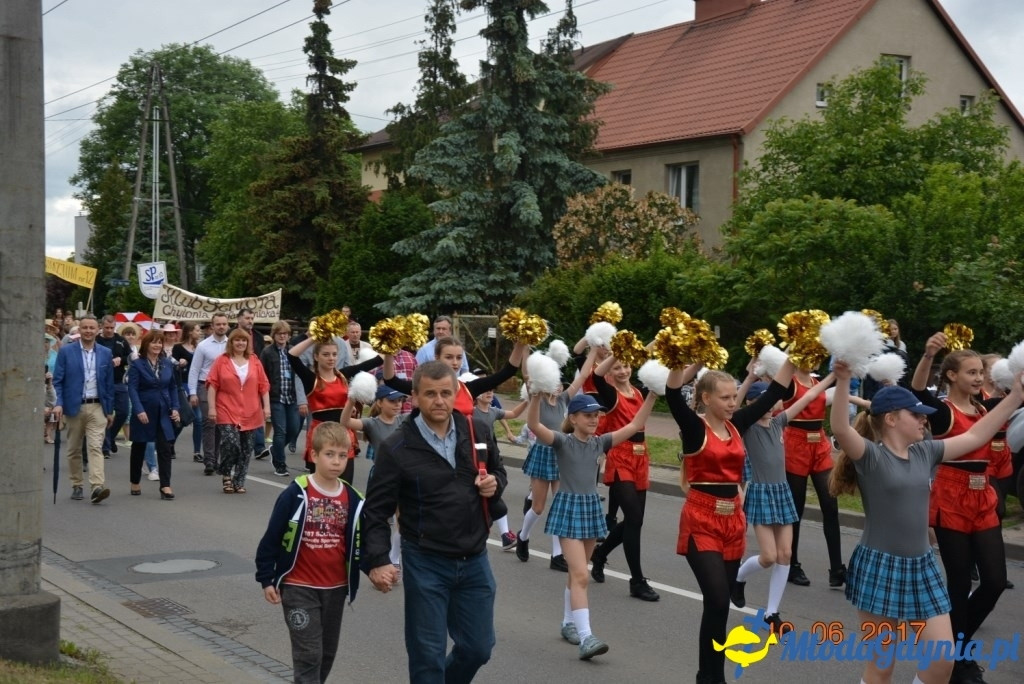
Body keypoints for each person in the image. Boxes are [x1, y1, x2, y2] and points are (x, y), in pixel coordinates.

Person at [830, 360, 1023, 684]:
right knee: (881, 668)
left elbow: (977, 434)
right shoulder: (871, 456)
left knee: (942, 660)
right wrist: (843, 379)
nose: (924, 419)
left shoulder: (925, 452)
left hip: (922, 566)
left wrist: (1016, 396)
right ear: (891, 419)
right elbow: (840, 428)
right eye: (916, 414)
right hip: (880, 566)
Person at [362, 361, 506, 684]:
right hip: (426, 560)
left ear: (456, 393)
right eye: (430, 394)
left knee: (478, 648)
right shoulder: (396, 447)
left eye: (445, 393)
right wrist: (378, 560)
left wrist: (494, 482)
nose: (439, 400)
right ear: (414, 397)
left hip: (474, 559)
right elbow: (376, 511)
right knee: (427, 656)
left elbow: (498, 470)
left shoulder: (478, 431)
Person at [666, 357, 795, 684]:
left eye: (734, 396)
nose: (732, 402)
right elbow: (673, 393)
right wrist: (679, 359)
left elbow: (775, 392)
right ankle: (709, 676)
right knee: (718, 597)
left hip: (732, 521)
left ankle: (710, 675)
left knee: (719, 607)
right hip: (701, 519)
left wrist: (795, 355)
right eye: (725, 397)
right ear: (706, 398)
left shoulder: (738, 423)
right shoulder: (695, 427)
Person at [910, 333, 1015, 684]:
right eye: (971, 372)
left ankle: (953, 648)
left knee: (995, 581)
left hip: (983, 495)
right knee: (958, 583)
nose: (978, 378)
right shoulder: (943, 413)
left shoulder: (985, 408)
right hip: (951, 496)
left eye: (980, 373)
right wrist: (929, 355)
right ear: (952, 376)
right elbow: (918, 391)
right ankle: (957, 662)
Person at [529, 390, 657, 659]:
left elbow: (635, 424)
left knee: (577, 574)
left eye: (596, 415)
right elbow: (534, 425)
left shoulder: (600, 443)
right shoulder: (562, 441)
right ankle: (586, 637)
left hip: (590, 509)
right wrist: (536, 397)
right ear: (573, 418)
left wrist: (654, 394)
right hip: (568, 509)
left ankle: (568, 623)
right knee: (581, 575)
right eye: (587, 415)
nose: (594, 419)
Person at [255, 421, 363, 684]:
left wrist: (378, 567)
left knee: (326, 654)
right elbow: (272, 538)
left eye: (342, 455)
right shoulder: (296, 493)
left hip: (335, 588)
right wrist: (266, 578)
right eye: (329, 454)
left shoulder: (353, 498)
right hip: (298, 587)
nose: (336, 462)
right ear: (313, 455)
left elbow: (361, 543)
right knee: (309, 654)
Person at [730, 370, 834, 633]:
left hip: (782, 492)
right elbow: (734, 411)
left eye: (769, 401)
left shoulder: (779, 422)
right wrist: (750, 380)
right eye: (760, 402)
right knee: (769, 556)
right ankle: (738, 577)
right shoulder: (746, 427)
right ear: (751, 404)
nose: (767, 406)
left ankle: (772, 613)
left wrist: (834, 375)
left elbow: (809, 395)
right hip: (761, 493)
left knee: (785, 554)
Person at [588, 352, 659, 601]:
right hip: (621, 456)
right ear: (610, 371)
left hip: (641, 457)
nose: (623, 371)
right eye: (617, 367)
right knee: (634, 518)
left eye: (626, 365)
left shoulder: (639, 392)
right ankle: (637, 581)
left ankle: (600, 553)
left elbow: (667, 379)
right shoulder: (610, 394)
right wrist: (618, 351)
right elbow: (596, 377)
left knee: (634, 521)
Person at [516, 349, 593, 569]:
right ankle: (523, 536)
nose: (558, 386)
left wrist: (595, 349)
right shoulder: (537, 397)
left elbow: (583, 375)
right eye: (555, 382)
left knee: (560, 506)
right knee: (538, 507)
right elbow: (527, 375)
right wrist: (525, 347)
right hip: (542, 454)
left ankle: (557, 555)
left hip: (561, 455)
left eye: (560, 383)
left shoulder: (563, 400)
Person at [781, 363, 844, 588]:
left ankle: (837, 569)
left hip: (819, 443)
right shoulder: (790, 384)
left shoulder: (817, 382)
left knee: (831, 504)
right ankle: (792, 565)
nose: (815, 359)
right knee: (796, 509)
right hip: (796, 444)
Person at [288, 334, 382, 479]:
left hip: (344, 433)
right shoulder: (311, 379)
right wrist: (315, 336)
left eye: (334, 354)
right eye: (326, 354)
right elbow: (292, 356)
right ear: (316, 356)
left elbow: (375, 362)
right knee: (321, 483)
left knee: (346, 482)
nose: (331, 358)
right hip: (322, 435)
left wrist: (391, 346)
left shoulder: (342, 375)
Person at [341, 385, 408, 569]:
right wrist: (351, 400)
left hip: (403, 476)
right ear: (379, 402)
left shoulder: (404, 420)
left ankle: (395, 559)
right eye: (392, 401)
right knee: (379, 520)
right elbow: (345, 422)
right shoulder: (372, 423)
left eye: (400, 401)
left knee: (402, 519)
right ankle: (379, 558)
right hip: (382, 477)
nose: (397, 404)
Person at [52, 314, 115, 503]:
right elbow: (58, 381)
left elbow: (109, 384)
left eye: (92, 328)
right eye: (85, 327)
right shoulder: (66, 352)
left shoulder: (105, 353)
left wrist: (109, 410)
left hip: (97, 406)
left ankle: (97, 487)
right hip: (74, 406)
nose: (88, 331)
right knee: (74, 449)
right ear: (79, 330)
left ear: (98, 330)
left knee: (95, 447)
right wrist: (58, 403)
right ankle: (77, 484)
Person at [206, 329, 271, 494]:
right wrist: (212, 408)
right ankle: (226, 473)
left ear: (248, 343)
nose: (240, 343)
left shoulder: (254, 361)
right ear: (231, 342)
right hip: (226, 408)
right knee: (231, 442)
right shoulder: (222, 361)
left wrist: (267, 407)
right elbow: (212, 384)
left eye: (244, 340)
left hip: (251, 411)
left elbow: (264, 386)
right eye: (237, 340)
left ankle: (239, 481)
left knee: (246, 448)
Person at [126, 331, 180, 499]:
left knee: (165, 448)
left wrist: (176, 407)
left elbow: (173, 387)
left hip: (164, 410)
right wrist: (139, 409)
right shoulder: (137, 364)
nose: (157, 345)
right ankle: (135, 481)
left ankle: (165, 485)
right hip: (145, 410)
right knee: (139, 446)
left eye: (159, 342)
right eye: (154, 342)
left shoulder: (166, 363)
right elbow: (132, 388)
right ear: (146, 344)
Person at [472, 386, 526, 551]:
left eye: (491, 390)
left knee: (495, 494)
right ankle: (502, 535)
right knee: (490, 498)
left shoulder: (493, 411)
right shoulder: (472, 412)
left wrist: (528, 399)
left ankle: (504, 535)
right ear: (476, 395)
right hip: (476, 458)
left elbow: (514, 414)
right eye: (485, 390)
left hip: (491, 458)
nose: (489, 392)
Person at [188, 313, 230, 475]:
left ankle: (216, 457)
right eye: (218, 324)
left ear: (227, 325)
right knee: (209, 422)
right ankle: (210, 460)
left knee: (220, 423)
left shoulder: (231, 344)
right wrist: (192, 392)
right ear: (212, 326)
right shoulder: (203, 346)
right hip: (205, 385)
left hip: (225, 388)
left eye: (224, 324)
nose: (221, 327)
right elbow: (194, 369)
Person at [261, 321, 304, 477]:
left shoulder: (292, 351)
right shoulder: (267, 352)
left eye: (285, 334)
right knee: (280, 431)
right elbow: (262, 374)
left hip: (291, 396)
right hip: (275, 396)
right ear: (274, 335)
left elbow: (299, 372)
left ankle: (275, 450)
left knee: (294, 429)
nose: (282, 336)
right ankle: (280, 464)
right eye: (279, 334)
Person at [95, 315, 132, 458]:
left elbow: (130, 357)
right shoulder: (96, 340)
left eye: (112, 328)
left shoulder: (121, 340)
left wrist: (120, 359)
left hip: (118, 381)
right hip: (102, 383)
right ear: (101, 327)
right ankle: (105, 448)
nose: (109, 330)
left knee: (123, 412)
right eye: (107, 328)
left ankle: (110, 437)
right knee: (106, 414)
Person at [173, 321, 203, 463]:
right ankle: (170, 442)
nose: (199, 332)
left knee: (198, 419)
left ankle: (197, 451)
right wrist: (179, 363)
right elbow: (172, 365)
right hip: (183, 383)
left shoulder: (200, 347)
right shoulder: (178, 348)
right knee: (185, 417)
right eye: (197, 330)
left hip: (197, 384)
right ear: (190, 332)